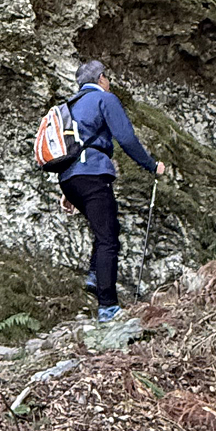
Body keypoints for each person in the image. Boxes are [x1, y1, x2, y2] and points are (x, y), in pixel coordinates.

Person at [57, 59, 165, 324]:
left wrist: (69, 191)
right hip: (92, 174)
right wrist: (152, 166)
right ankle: (108, 308)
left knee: (105, 227)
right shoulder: (104, 99)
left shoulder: (69, 106)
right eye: (107, 78)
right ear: (102, 78)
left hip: (69, 178)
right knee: (108, 239)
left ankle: (95, 275)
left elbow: (70, 147)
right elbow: (126, 138)